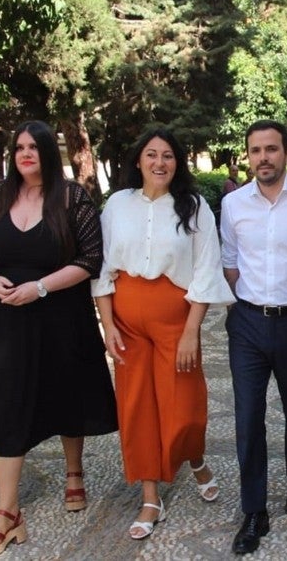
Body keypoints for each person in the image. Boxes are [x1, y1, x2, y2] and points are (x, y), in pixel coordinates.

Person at [0, 120, 118, 557]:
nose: (26, 154)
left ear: (49, 152)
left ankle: (74, 472)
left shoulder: (72, 198)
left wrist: (41, 287)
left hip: (61, 315)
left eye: (34, 147)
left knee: (67, 394)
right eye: (19, 147)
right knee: (9, 406)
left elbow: (91, 259)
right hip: (6, 319)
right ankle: (8, 512)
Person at [93, 128, 234, 540]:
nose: (160, 163)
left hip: (176, 320)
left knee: (185, 405)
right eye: (151, 154)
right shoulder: (117, 205)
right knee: (137, 407)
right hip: (127, 323)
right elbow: (102, 267)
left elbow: (207, 267)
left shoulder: (193, 207)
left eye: (168, 155)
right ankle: (150, 495)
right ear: (138, 160)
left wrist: (192, 331)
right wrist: (107, 324)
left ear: (178, 162)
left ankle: (194, 456)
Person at [220, 120, 287, 555]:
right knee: (247, 419)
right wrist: (243, 305)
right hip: (246, 322)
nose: (263, 157)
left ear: (286, 152)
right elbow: (230, 260)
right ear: (248, 155)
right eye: (255, 150)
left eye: (271, 149)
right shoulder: (233, 204)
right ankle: (253, 511)